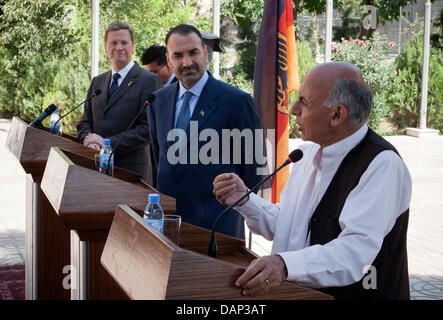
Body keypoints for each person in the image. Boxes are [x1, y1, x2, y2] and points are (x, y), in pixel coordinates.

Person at [213, 61, 412, 300]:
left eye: (304, 102)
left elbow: (354, 253)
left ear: (337, 114)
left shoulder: (382, 165)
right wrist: (245, 199)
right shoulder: (306, 154)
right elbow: (286, 223)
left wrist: (285, 265)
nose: (292, 109)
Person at [148, 24, 263, 239]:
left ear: (205, 53)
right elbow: (159, 160)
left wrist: (235, 210)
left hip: (218, 231)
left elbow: (253, 170)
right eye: (178, 55)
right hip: (168, 227)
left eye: (193, 53)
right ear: (169, 60)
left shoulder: (236, 101)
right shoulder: (157, 101)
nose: (187, 62)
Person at [77, 21, 161, 184]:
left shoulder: (149, 80)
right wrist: (89, 140)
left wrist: (107, 144)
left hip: (132, 173)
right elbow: (85, 121)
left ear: (133, 46)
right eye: (113, 43)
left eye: (124, 42)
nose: (119, 47)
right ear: (105, 47)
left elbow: (148, 129)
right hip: (96, 168)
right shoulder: (98, 82)